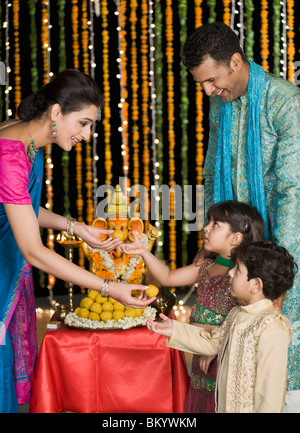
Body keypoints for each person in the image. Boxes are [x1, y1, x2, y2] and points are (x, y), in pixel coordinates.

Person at [0, 69, 155, 413]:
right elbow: (33, 251)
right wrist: (108, 287)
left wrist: (76, 227)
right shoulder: (11, 154)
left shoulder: (24, 137)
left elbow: (19, 207)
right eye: (82, 123)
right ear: (56, 113)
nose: (86, 134)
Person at [182, 21, 300, 411]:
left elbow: (292, 193)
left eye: (212, 79)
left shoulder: (285, 102)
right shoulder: (221, 103)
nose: (207, 91)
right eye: (200, 83)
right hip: (237, 258)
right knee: (231, 371)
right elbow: (213, 168)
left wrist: (274, 276)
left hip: (279, 259)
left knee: (276, 367)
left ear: (236, 61)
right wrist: (213, 239)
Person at [120, 200, 265, 412]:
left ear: (235, 238)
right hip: (199, 356)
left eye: (216, 224)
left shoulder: (242, 277)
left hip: (223, 357)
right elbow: (167, 277)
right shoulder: (206, 266)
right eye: (209, 222)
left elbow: (244, 320)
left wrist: (217, 349)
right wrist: (143, 252)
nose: (206, 227)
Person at [147, 241, 297, 413]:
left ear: (256, 285)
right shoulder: (236, 314)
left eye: (238, 269)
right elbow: (212, 343)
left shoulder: (273, 327)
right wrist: (173, 328)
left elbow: (270, 396)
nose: (230, 273)